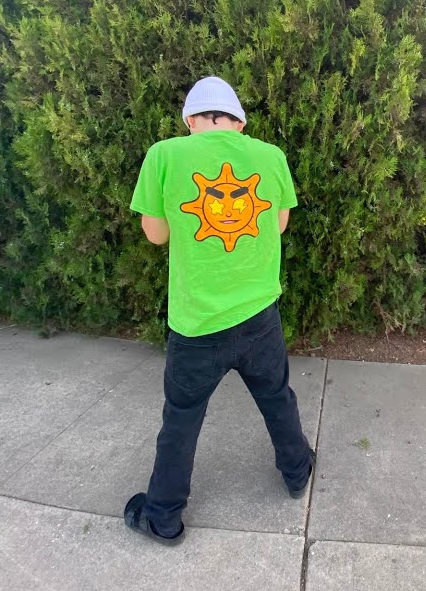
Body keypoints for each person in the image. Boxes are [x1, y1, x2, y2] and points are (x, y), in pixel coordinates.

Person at [123, 76, 315, 546]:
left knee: (181, 419)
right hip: (259, 316)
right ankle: (297, 471)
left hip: (196, 325)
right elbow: (280, 224)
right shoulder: (271, 157)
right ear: (239, 123)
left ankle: (163, 516)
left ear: (190, 120)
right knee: (277, 396)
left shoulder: (164, 154)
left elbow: (156, 235)